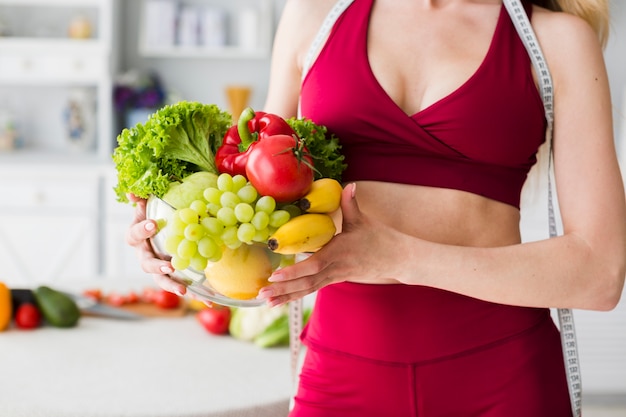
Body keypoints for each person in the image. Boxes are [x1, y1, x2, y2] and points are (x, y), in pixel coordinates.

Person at [126, 0, 626, 415]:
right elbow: (255, 205)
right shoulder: (314, 19)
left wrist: (396, 256)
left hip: (503, 379)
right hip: (340, 376)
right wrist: (173, 236)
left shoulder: (554, 40)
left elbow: (600, 275)